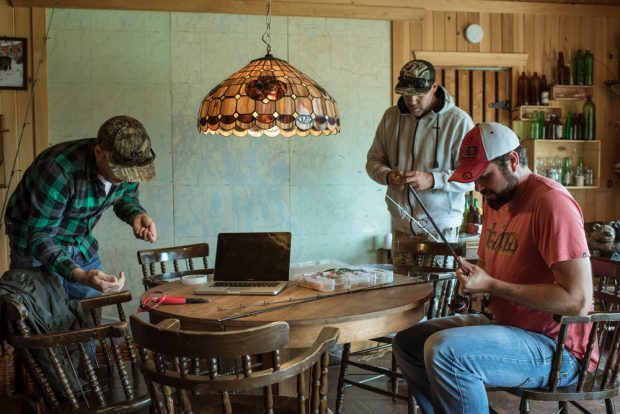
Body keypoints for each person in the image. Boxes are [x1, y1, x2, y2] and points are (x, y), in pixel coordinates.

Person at [392, 122, 595, 414]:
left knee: (445, 350)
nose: (478, 187)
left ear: (512, 161)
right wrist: (476, 276)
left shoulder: (551, 202)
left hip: (556, 348)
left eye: (484, 176)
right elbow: (490, 266)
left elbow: (577, 301)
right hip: (507, 328)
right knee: (408, 342)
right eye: (473, 178)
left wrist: (491, 285)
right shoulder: (496, 200)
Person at [5, 115, 158, 299]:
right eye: (120, 174)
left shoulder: (130, 167)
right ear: (99, 152)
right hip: (35, 247)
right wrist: (80, 275)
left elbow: (126, 196)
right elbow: (40, 236)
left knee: (89, 314)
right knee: (43, 318)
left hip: (80, 242)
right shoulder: (58, 169)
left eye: (131, 175)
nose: (126, 180)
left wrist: (136, 214)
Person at [366, 59, 474, 266]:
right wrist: (388, 176)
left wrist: (433, 180)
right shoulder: (390, 118)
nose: (412, 100)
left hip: (441, 229)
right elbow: (373, 162)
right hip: (401, 228)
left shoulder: (459, 121)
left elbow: (472, 176)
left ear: (434, 87)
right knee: (403, 293)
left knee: (436, 294)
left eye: (419, 94)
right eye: (406, 94)